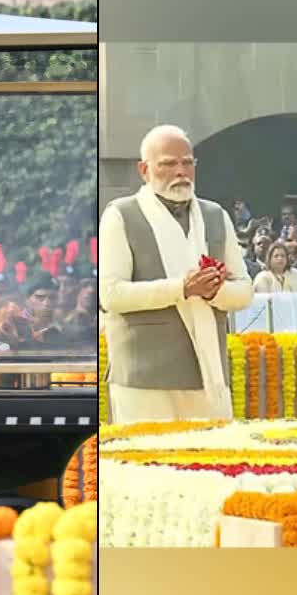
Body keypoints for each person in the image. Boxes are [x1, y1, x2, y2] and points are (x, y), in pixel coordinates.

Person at [99, 124, 253, 423]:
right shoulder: (121, 214)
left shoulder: (215, 215)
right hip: (144, 378)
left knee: (211, 464)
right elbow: (111, 294)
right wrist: (181, 288)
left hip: (208, 373)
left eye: (187, 163)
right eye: (168, 164)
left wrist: (213, 290)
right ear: (144, 170)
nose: (180, 171)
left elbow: (244, 290)